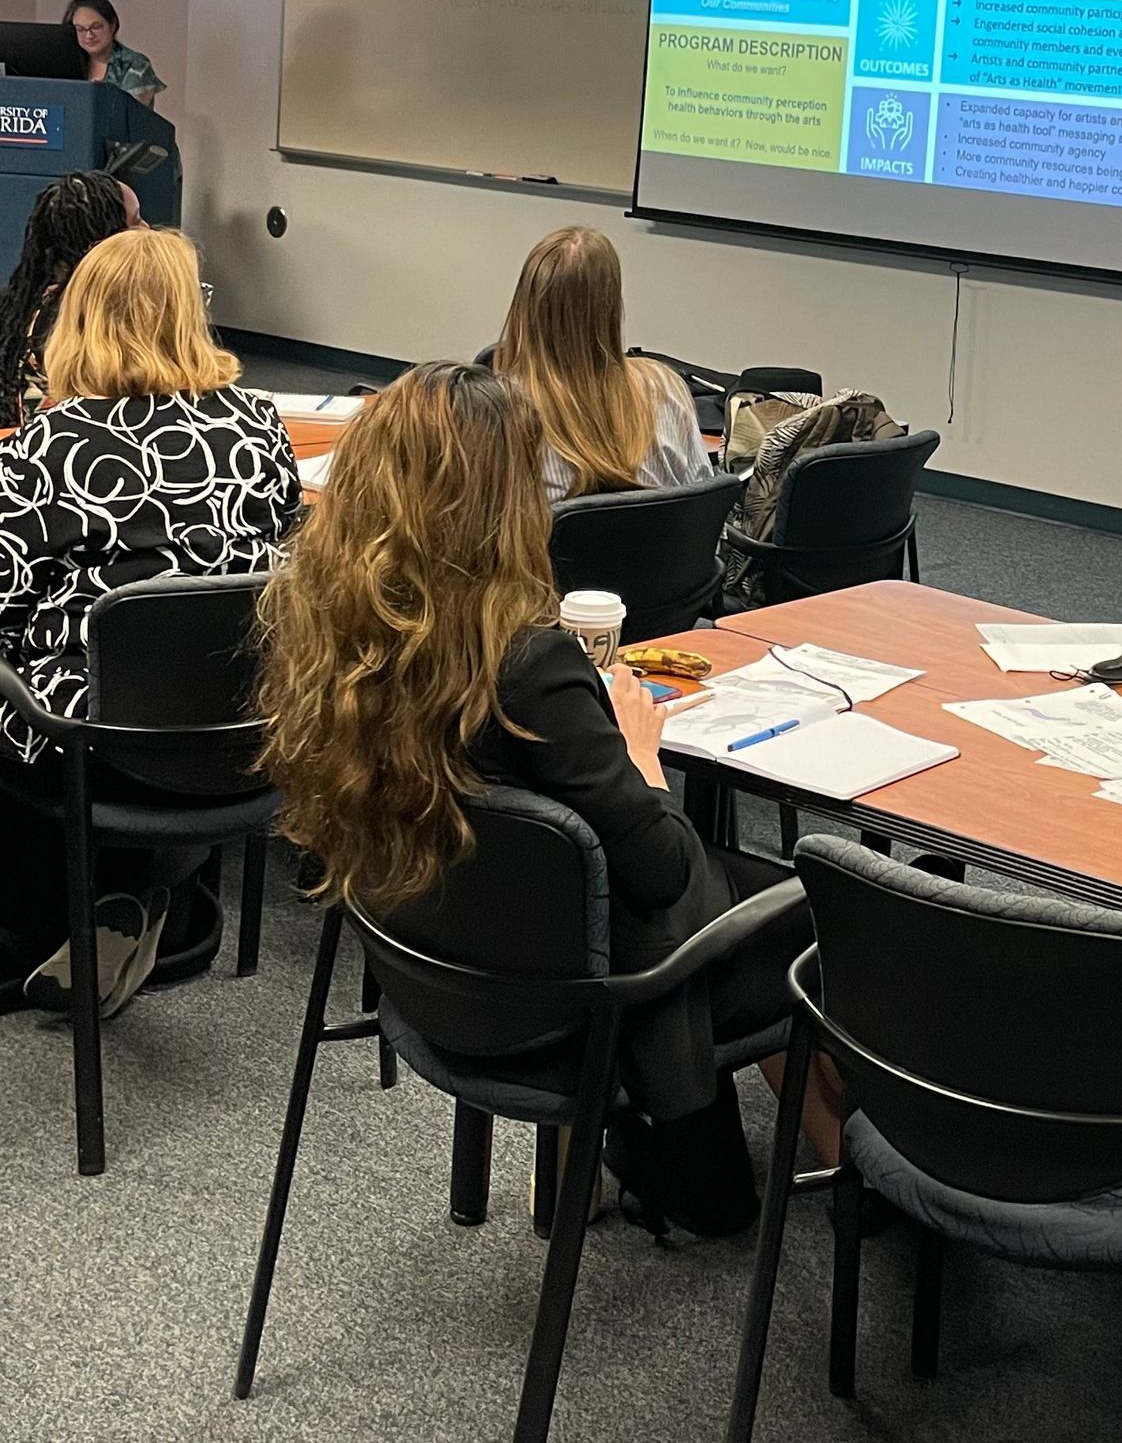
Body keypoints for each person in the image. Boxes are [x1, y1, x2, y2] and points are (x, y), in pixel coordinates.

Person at [260, 362, 814, 1234]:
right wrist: (637, 753)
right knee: (821, 908)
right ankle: (841, 1176)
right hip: (566, 1004)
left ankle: (704, 1171)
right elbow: (663, 870)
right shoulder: (526, 665)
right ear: (505, 500)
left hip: (430, 969)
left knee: (713, 886)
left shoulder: (326, 629)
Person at [0, 227, 299, 1012]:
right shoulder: (260, 426)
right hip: (242, 734)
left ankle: (38, 928)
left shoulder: (48, 447)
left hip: (96, 749)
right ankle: (156, 886)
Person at [493, 226, 710, 506]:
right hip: (663, 549)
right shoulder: (665, 387)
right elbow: (704, 502)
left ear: (524, 305)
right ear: (610, 307)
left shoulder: (502, 408)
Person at [0, 169, 144, 429]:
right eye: (135, 222)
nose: (147, 229)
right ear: (103, 239)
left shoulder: (22, 304)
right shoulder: (77, 323)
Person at [63, 0, 164, 107]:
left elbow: (129, 114)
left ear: (112, 25)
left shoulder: (136, 64)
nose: (89, 35)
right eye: (80, 29)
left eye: (96, 27)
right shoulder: (66, 63)